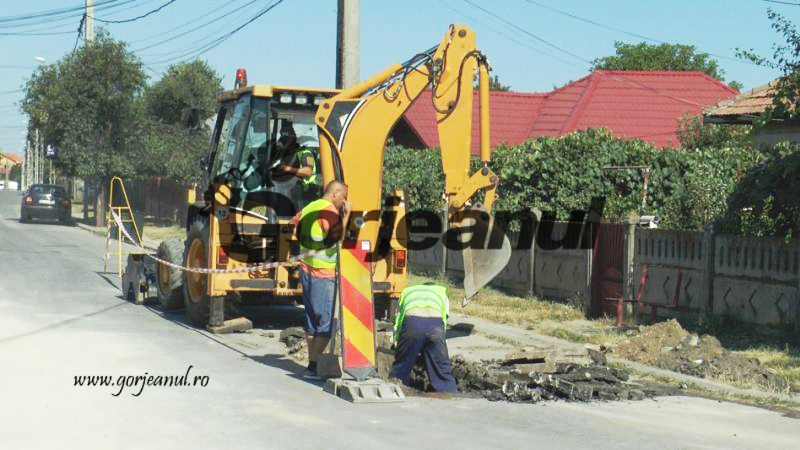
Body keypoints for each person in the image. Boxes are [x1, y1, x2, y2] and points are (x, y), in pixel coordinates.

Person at [291, 181, 351, 379]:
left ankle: (311, 365)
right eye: (343, 198)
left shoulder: (310, 207)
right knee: (325, 325)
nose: (344, 203)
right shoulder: (329, 211)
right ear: (335, 194)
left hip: (306, 272)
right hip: (323, 275)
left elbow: (293, 227)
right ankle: (313, 367)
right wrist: (348, 216)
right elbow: (338, 237)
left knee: (311, 323)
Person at [390, 283, 458, 392]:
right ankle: (449, 392)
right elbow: (444, 319)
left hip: (412, 325)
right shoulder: (441, 292)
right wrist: (439, 340)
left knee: (402, 365)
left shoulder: (407, 292)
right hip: (435, 327)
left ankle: (396, 388)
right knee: (441, 368)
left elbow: (399, 319)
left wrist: (397, 341)